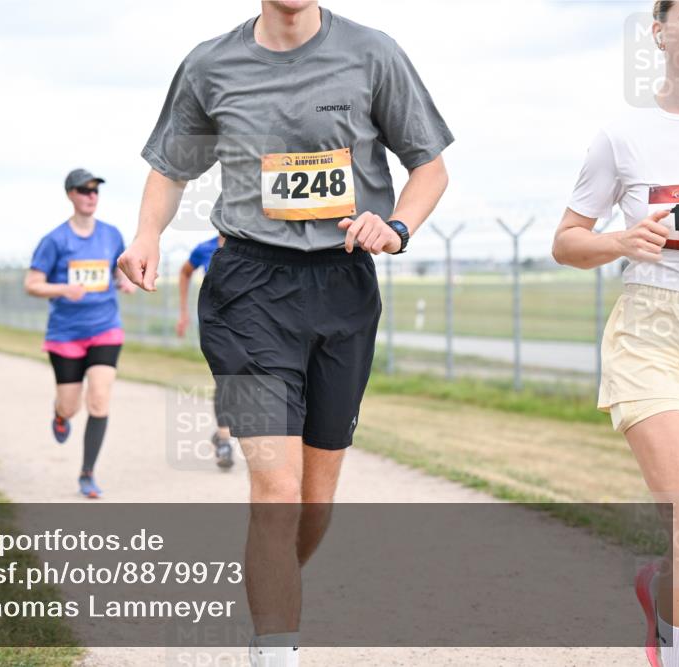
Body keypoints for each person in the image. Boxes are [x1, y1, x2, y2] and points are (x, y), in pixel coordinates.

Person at [118, 2, 452, 663]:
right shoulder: (210, 64)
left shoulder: (373, 53)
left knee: (313, 500)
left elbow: (430, 167)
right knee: (274, 484)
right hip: (245, 287)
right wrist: (147, 232)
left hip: (345, 286)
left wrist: (398, 226)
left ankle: (271, 596)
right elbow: (170, 166)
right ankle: (276, 648)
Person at [552, 3, 679, 666]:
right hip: (652, 333)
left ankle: (662, 599)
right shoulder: (624, 134)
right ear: (660, 31)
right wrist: (619, 239)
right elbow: (566, 241)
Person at [26, 168, 136, 499]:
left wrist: (125, 281)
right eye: (84, 190)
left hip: (105, 327)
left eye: (95, 191)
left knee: (100, 399)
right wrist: (63, 288)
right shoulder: (55, 240)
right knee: (71, 405)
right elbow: (31, 284)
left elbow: (117, 270)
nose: (91, 196)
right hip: (66, 333)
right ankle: (60, 414)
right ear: (70, 195)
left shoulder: (111, 235)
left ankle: (87, 473)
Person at [176, 235, 234, 469]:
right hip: (216, 325)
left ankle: (223, 433)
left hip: (249, 324)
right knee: (225, 380)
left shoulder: (251, 243)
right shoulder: (204, 249)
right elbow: (184, 272)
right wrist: (183, 312)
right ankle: (224, 440)